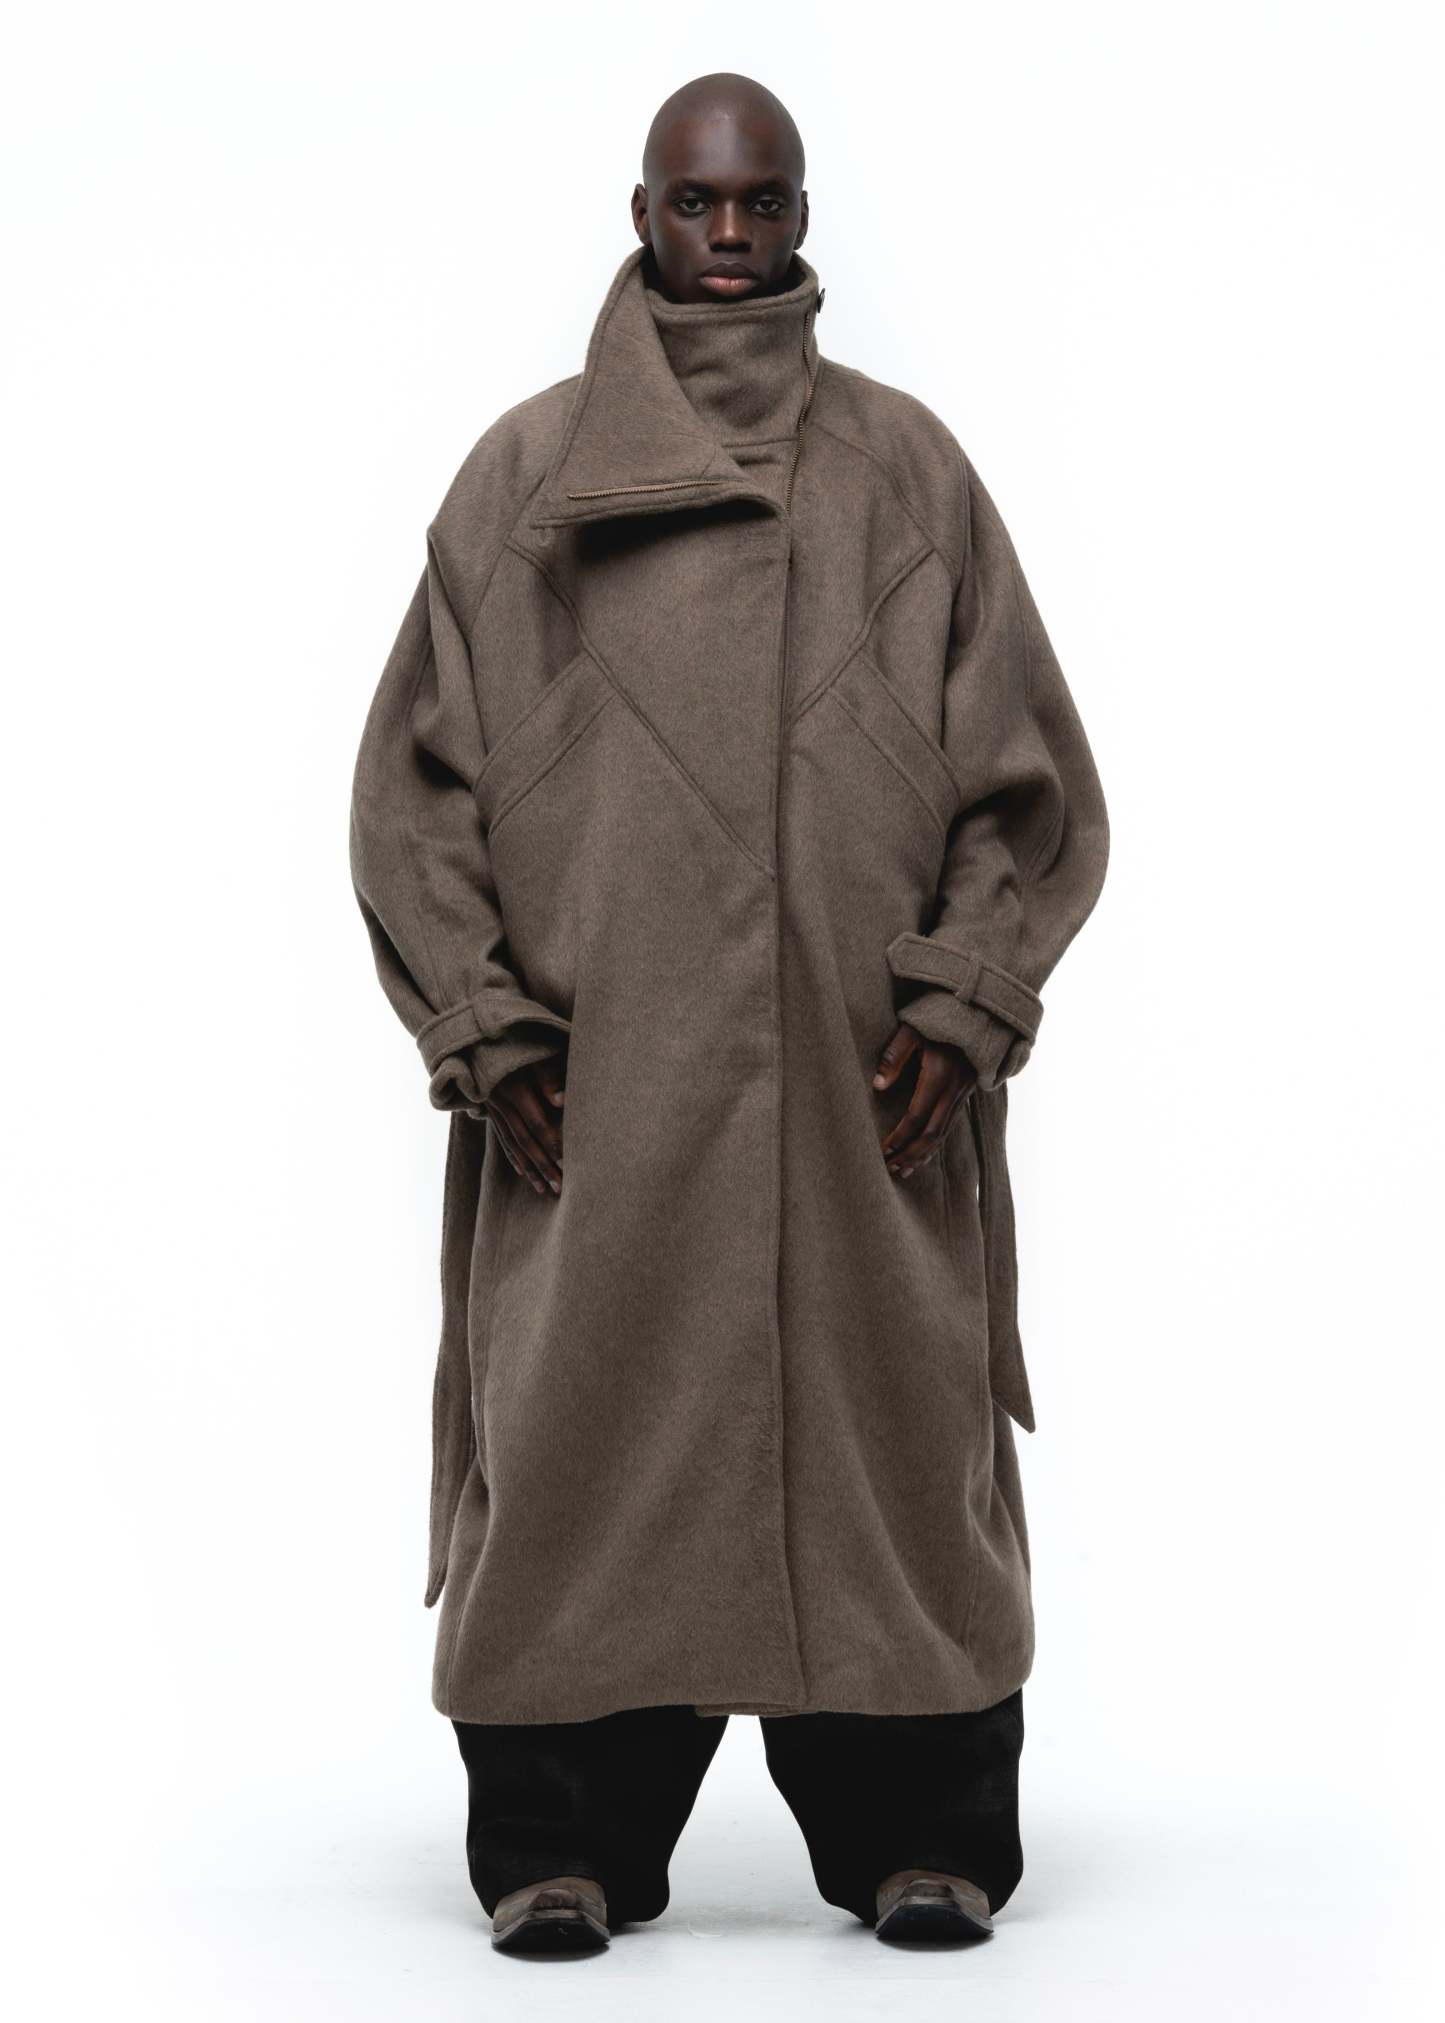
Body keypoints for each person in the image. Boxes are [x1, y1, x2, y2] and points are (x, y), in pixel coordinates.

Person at [349, 71, 1109, 1954]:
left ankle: (921, 1832)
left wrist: (965, 994)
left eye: (762, 202)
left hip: (869, 1098)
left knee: (891, 1448)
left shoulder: (906, 473)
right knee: (579, 1441)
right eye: (697, 204)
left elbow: (1025, 784)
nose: (731, 235)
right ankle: (560, 1843)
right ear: (641, 214)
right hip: (600, 1100)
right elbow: (413, 796)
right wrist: (484, 1028)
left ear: (800, 217)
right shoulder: (521, 482)